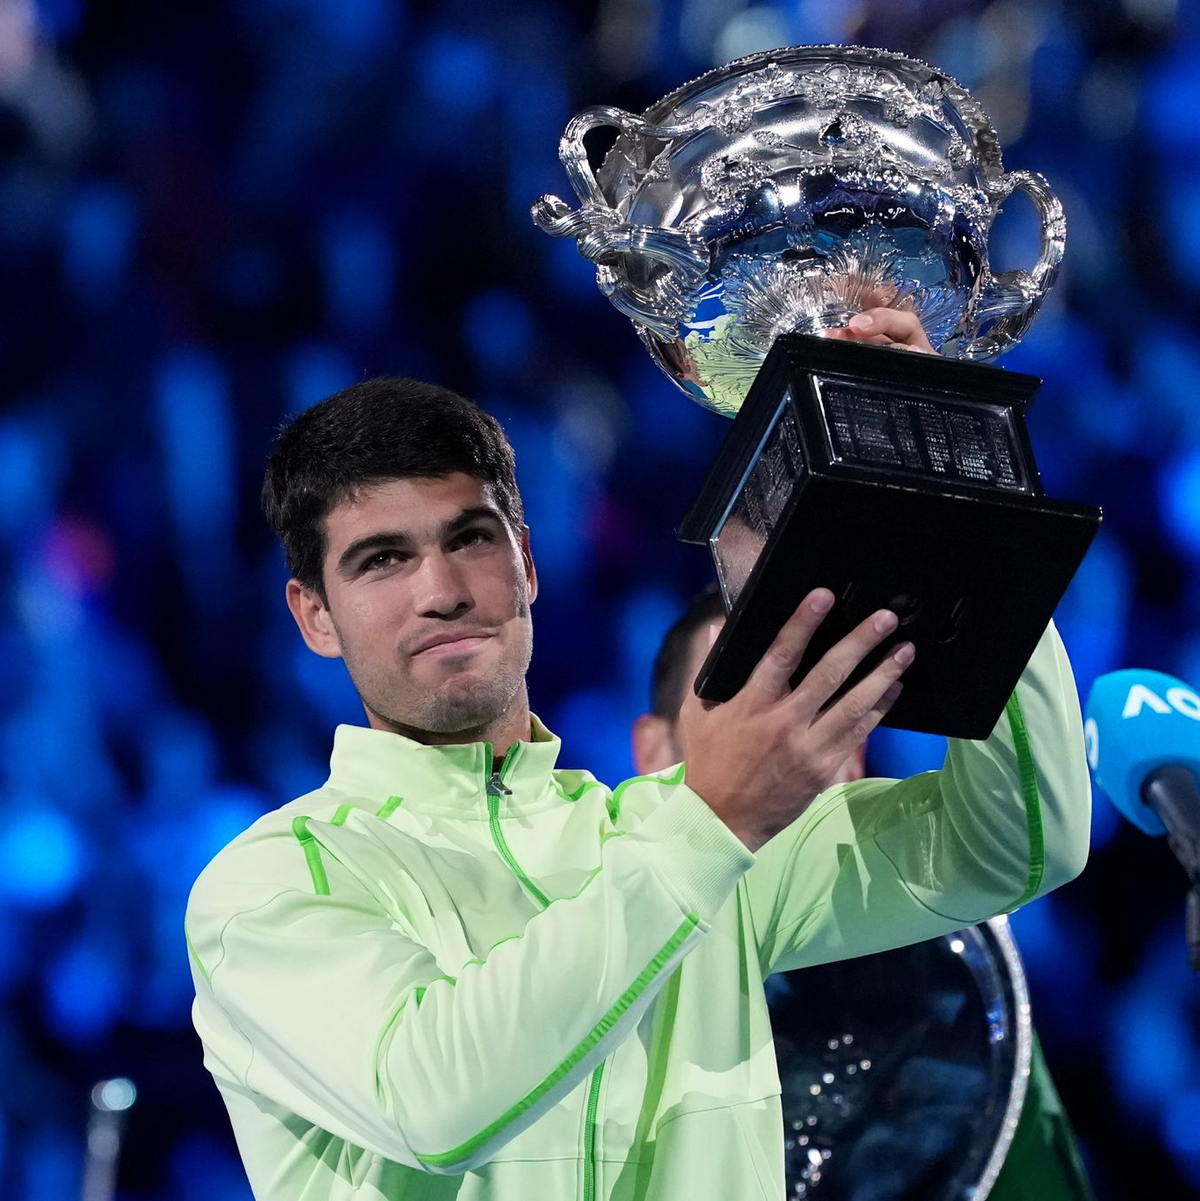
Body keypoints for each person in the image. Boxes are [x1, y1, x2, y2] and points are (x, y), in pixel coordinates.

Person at [185, 309, 1091, 1200]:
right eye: (382, 560)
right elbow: (433, 1101)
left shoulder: (669, 836)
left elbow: (1015, 842)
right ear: (314, 616)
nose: (442, 591)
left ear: (527, 566)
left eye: (470, 538)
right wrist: (712, 822)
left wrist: (951, 480)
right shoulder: (269, 884)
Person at [634, 586, 1097, 1200]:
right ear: (650, 753)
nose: (770, 748)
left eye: (811, 710)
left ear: (853, 754)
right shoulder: (583, 936)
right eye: (734, 715)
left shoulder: (960, 996)